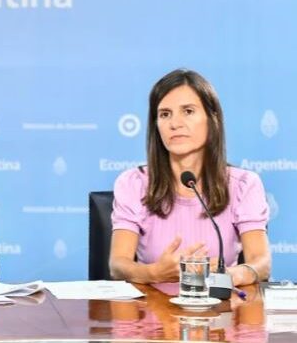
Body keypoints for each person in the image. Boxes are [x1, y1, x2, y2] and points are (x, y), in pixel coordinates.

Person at [109, 69, 271, 285]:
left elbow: (261, 263)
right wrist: (154, 273)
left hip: (220, 303)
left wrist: (232, 275)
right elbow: (118, 264)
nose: (175, 123)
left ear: (212, 118)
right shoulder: (133, 183)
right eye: (165, 114)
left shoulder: (243, 185)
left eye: (188, 111)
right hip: (152, 305)